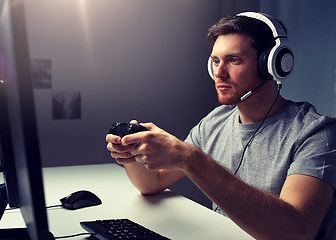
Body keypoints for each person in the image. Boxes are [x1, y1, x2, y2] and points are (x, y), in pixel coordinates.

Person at [106, 12, 336, 240]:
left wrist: (188, 158)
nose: (219, 72)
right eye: (216, 61)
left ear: (271, 64)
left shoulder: (316, 134)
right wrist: (131, 153)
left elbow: (296, 232)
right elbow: (153, 183)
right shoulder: (216, 121)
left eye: (233, 60)